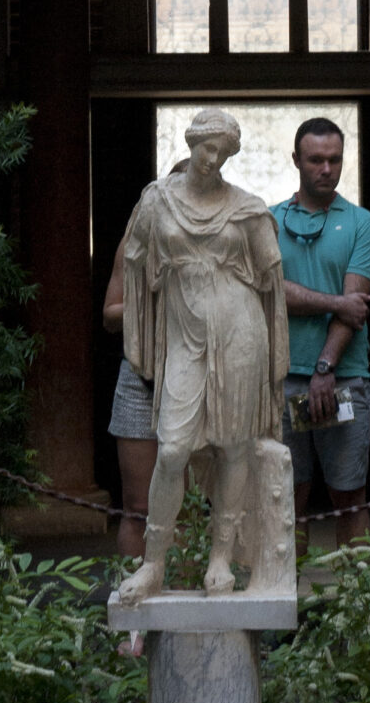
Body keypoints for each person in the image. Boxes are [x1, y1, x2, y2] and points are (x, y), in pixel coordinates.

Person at [114, 108, 296, 606]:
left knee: (234, 446)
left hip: (240, 333)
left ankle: (220, 560)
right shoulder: (157, 200)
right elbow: (134, 263)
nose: (213, 159)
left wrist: (272, 359)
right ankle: (153, 565)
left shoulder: (248, 210)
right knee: (172, 449)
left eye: (223, 152)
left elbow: (271, 286)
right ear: (192, 144)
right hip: (185, 334)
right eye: (207, 148)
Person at [269, 118, 370, 551]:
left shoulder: (361, 222)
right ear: (296, 160)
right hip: (281, 379)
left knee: (349, 497)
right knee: (286, 501)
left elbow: (357, 307)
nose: (326, 168)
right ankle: (287, 609)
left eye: (334, 159)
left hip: (343, 380)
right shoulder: (269, 221)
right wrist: (334, 301)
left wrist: (324, 368)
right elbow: (270, 293)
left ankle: (357, 609)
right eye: (316, 159)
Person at [102, 232, 158, 562]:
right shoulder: (137, 240)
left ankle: (186, 602)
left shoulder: (219, 235)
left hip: (198, 380)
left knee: (186, 506)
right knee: (138, 505)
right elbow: (110, 315)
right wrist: (153, 301)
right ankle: (134, 599)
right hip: (141, 376)